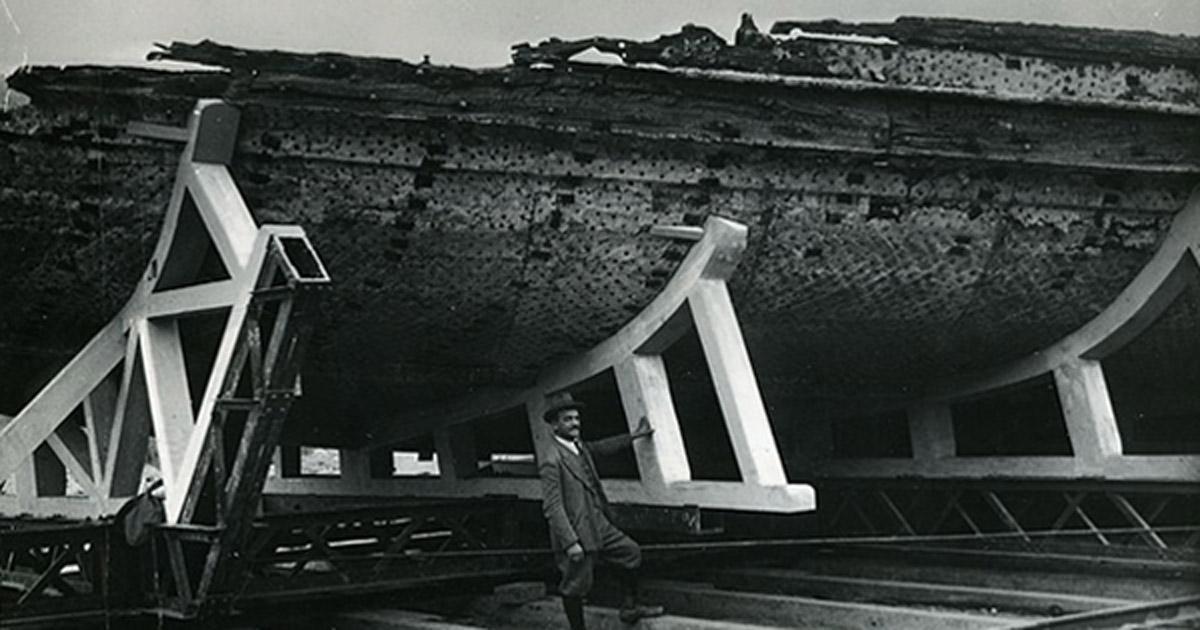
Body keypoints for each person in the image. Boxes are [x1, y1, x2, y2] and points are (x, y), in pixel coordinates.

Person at [539, 391, 665, 629]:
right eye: (567, 419)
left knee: (630, 552)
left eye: (576, 418)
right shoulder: (551, 459)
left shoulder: (580, 447)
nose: (575, 423)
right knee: (575, 584)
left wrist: (635, 435)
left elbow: (604, 447)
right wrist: (569, 542)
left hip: (599, 523)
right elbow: (552, 506)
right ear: (555, 425)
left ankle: (630, 607)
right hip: (577, 531)